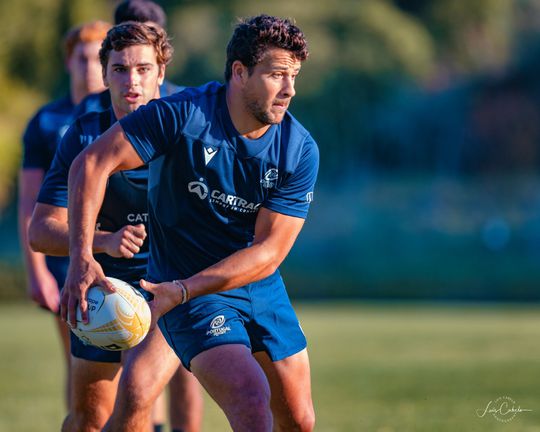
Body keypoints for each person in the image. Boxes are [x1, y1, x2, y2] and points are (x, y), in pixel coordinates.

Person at [63, 14, 318, 432]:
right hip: (187, 290)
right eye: (276, 75)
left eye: (294, 76)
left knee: (299, 420)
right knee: (252, 404)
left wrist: (183, 290)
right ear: (239, 72)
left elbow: (269, 252)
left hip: (255, 285)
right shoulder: (182, 115)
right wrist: (81, 257)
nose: (289, 89)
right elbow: (91, 163)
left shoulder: (298, 149)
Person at [28, 22, 201, 432]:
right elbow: (40, 230)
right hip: (102, 287)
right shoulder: (83, 135)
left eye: (143, 68)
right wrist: (101, 242)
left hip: (168, 289)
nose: (132, 80)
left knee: (138, 397)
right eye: (120, 69)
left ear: (162, 73)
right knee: (90, 417)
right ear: (104, 75)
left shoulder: (191, 132)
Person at [18, 19, 111, 408]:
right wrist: (36, 272)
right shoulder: (47, 121)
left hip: (118, 251)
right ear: (68, 62)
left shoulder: (127, 115)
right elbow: (30, 203)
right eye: (82, 58)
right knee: (80, 363)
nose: (90, 68)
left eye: (98, 59)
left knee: (135, 354)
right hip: (63, 258)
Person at [74, 0, 181, 117]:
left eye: (149, 35)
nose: (137, 44)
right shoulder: (90, 110)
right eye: (129, 35)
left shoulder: (183, 105)